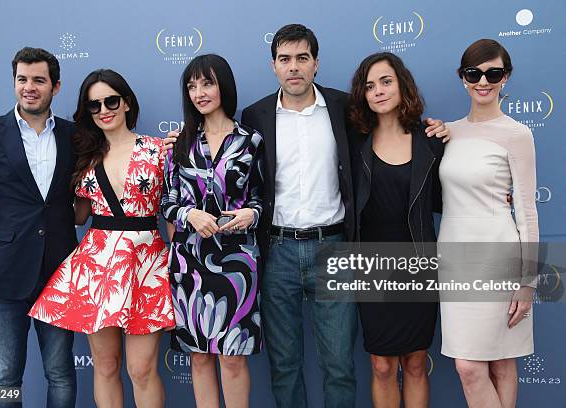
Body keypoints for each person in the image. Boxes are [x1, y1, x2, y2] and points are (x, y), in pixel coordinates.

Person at [240, 24, 449, 407]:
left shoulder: (344, 109)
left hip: (334, 249)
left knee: (339, 364)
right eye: (285, 59)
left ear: (316, 63)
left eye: (302, 58)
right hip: (277, 252)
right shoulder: (254, 116)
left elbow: (397, 132)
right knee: (284, 364)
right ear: (273, 66)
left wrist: (439, 130)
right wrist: (181, 140)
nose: (294, 67)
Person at [29, 69, 175, 408]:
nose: (104, 110)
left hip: (146, 265)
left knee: (141, 369)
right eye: (94, 105)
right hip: (98, 266)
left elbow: (173, 211)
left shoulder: (159, 150)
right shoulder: (83, 158)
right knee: (106, 366)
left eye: (111, 100)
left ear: (126, 103)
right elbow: (79, 215)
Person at [0, 47, 77, 407]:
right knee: (5, 376)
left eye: (38, 80)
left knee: (61, 373)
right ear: (14, 83)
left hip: (59, 272)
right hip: (3, 275)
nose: (29, 87)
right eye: (22, 79)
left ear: (55, 87)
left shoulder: (74, 135)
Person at [438, 39, 538, 408]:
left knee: (501, 360)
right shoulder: (446, 133)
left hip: (499, 255)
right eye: (474, 73)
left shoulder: (517, 134)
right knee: (468, 365)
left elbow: (527, 211)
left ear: (505, 78)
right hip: (455, 259)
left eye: (493, 73)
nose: (484, 81)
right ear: (463, 78)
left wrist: (528, 281)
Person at [161, 54, 264, 408]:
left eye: (207, 83)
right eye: (192, 86)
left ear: (224, 86)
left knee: (233, 356)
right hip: (189, 262)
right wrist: (189, 214)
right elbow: (167, 203)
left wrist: (251, 213)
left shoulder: (251, 141)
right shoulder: (179, 143)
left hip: (237, 263)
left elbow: (263, 200)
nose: (200, 93)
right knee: (199, 356)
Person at [348, 52, 443, 408]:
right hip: (371, 268)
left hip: (419, 266)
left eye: (386, 82)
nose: (378, 92)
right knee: (382, 365)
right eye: (370, 86)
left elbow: (455, 196)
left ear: (403, 86)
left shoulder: (432, 142)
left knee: (416, 363)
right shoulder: (355, 144)